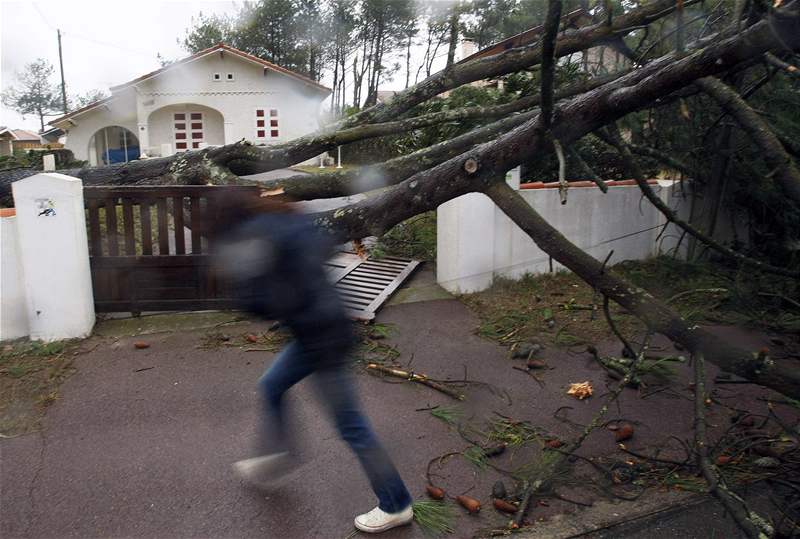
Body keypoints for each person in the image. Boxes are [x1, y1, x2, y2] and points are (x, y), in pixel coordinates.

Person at [211, 192, 413, 534]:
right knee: (272, 385)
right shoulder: (284, 219)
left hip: (322, 340)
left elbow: (264, 301)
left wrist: (241, 289)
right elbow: (323, 249)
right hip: (319, 329)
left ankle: (396, 504)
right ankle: (277, 454)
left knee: (351, 427)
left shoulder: (256, 239)